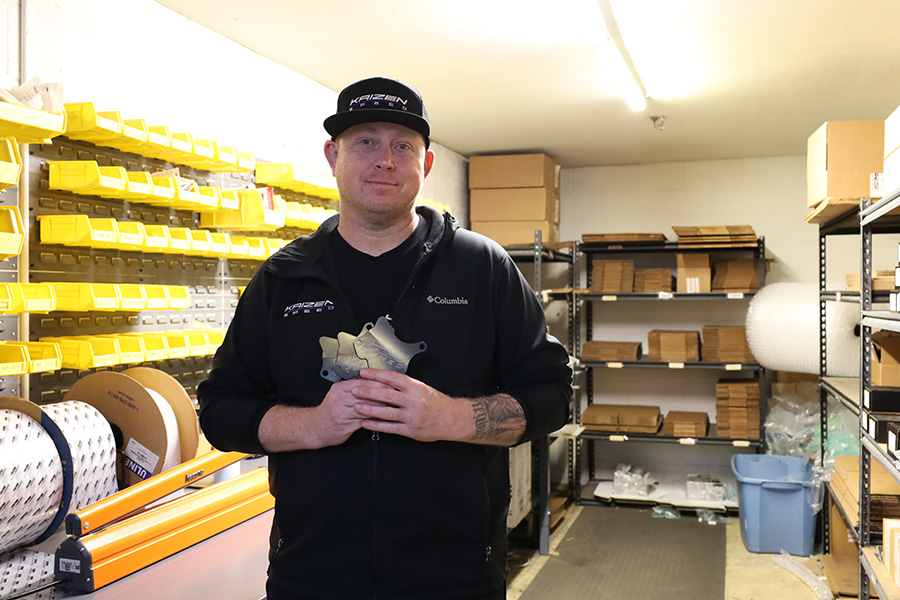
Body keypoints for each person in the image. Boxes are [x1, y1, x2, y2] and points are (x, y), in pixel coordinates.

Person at [197, 76, 572, 600]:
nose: (385, 160)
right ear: (333, 155)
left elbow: (554, 394)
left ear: (427, 164)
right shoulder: (284, 279)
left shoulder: (482, 268)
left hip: (454, 580)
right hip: (311, 578)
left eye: (403, 146)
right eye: (366, 141)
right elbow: (218, 411)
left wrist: (451, 418)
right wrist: (315, 424)